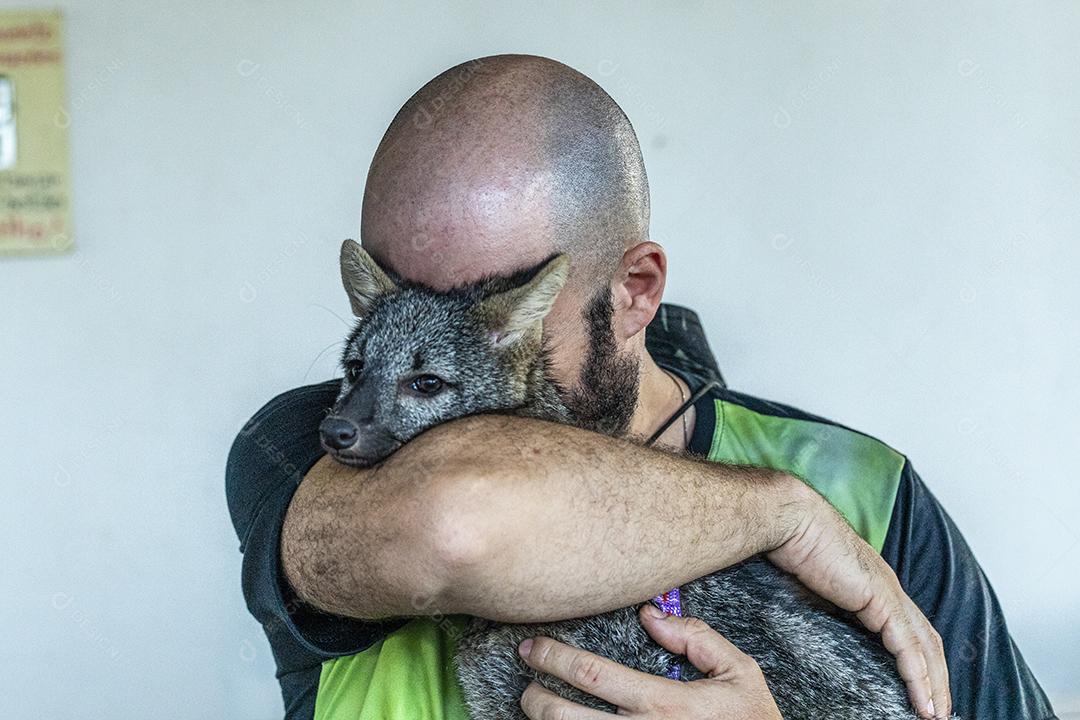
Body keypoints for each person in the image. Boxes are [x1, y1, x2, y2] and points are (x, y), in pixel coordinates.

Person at [226, 55, 1055, 720]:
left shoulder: (869, 492)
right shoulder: (301, 452)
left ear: (635, 289)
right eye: (391, 302)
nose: (423, 331)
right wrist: (781, 512)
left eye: (496, 318)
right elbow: (457, 517)